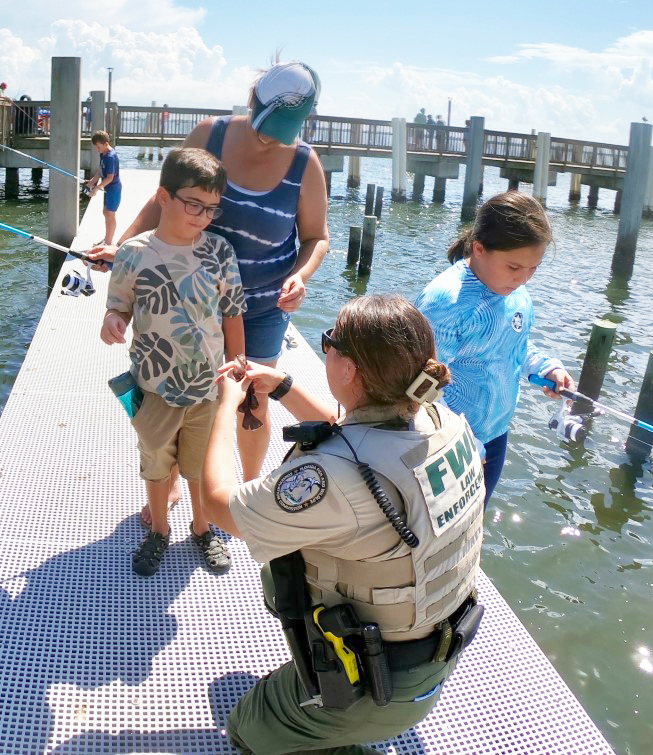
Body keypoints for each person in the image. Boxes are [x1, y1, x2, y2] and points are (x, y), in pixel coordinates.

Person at [201, 294, 485, 754]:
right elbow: (358, 436)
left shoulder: (337, 481)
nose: (326, 348)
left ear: (349, 370)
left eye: (329, 342)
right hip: (436, 650)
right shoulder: (439, 418)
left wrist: (222, 405)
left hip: (378, 684)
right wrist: (283, 387)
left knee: (246, 731)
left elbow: (218, 506)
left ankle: (341, 736)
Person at [88, 60, 329, 522]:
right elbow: (163, 201)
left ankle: (248, 494)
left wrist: (301, 275)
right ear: (252, 97)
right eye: (264, 125)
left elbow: (317, 237)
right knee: (186, 399)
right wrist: (122, 249)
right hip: (186, 296)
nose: (270, 137)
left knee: (250, 402)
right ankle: (176, 482)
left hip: (259, 306)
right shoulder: (209, 134)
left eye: (282, 130)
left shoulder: (305, 162)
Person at [100, 147, 246, 576]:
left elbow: (233, 311)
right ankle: (159, 528)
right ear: (163, 196)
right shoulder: (132, 252)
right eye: (193, 204)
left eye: (211, 209)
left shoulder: (220, 251)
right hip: (153, 384)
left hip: (207, 385)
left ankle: (203, 529)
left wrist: (240, 369)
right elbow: (120, 305)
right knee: (156, 459)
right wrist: (112, 320)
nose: (202, 216)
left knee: (199, 464)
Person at [416, 191, 575, 506]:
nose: (523, 279)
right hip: (448, 442)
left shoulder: (516, 293)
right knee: (436, 529)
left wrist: (545, 367)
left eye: (533, 269)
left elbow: (512, 347)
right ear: (479, 248)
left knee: (474, 523)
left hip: (495, 434)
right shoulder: (446, 302)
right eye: (514, 267)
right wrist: (462, 440)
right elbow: (420, 386)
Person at [85, 131, 121, 245]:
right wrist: (92, 181)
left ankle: (109, 242)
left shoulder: (111, 157)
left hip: (114, 189)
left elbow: (110, 178)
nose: (97, 150)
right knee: (106, 212)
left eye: (98, 147)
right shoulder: (103, 153)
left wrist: (96, 188)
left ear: (106, 144)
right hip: (107, 189)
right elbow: (101, 171)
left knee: (110, 214)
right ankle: (107, 240)